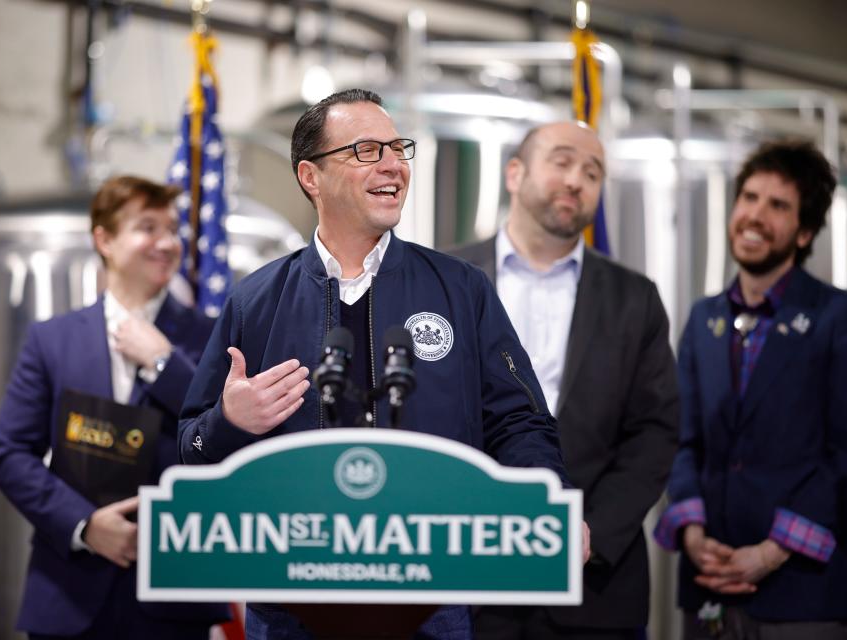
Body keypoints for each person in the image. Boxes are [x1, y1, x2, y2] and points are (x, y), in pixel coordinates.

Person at [178, 88, 588, 640]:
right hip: (291, 601)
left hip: (430, 595)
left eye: (399, 149)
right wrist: (229, 421)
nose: (394, 165)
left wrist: (551, 503)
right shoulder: (255, 301)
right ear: (310, 176)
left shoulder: (461, 289)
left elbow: (519, 421)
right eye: (367, 150)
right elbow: (190, 445)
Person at [450, 121, 679, 639]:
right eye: (561, 161)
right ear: (514, 173)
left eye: (592, 171)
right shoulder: (447, 279)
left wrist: (590, 535)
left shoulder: (634, 298)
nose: (577, 179)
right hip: (470, 577)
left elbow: (655, 432)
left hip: (594, 590)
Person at [654, 140, 847, 639]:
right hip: (710, 583)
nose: (755, 215)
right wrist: (692, 532)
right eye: (750, 198)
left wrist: (772, 550)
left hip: (807, 595)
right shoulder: (704, 318)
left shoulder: (841, 317)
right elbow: (680, 438)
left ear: (803, 232)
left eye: (777, 205)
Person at [0, 176, 228, 639]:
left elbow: (221, 435)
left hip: (172, 598)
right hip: (67, 594)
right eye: (147, 228)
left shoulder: (213, 339)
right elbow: (9, 454)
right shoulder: (52, 340)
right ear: (104, 239)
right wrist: (83, 524)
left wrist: (163, 364)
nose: (166, 243)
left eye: (171, 229)